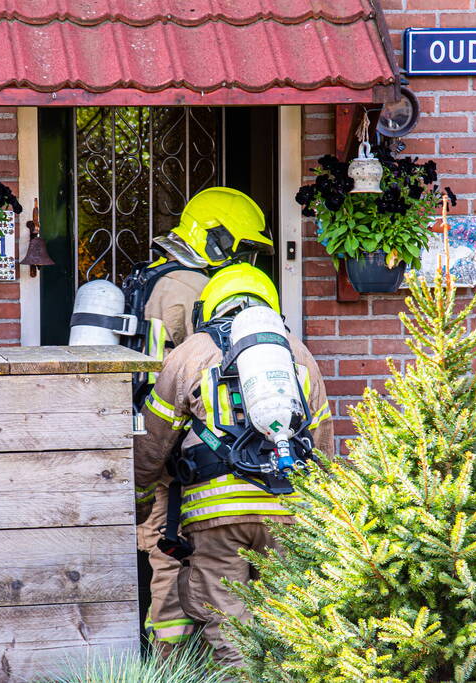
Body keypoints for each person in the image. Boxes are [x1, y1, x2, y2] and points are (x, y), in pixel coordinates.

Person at [133, 263, 334, 668]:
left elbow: (153, 442)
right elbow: (322, 444)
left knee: (229, 625)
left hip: (214, 514)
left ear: (208, 308)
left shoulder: (191, 352)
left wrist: (138, 501)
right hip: (287, 515)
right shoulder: (299, 354)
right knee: (287, 621)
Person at [128, 188, 274, 657]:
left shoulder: (154, 277)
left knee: (169, 549)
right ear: (217, 238)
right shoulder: (190, 288)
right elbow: (208, 365)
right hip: (191, 447)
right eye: (243, 247)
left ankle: (174, 658)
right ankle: (182, 660)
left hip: (157, 431)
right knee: (173, 551)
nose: (246, 259)